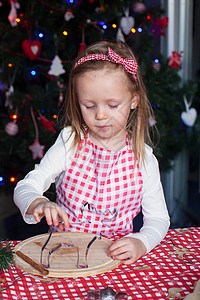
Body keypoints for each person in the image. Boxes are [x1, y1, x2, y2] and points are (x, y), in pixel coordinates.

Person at [14, 40, 170, 265]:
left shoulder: (144, 159)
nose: (101, 115)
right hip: (63, 258)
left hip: (115, 262)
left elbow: (158, 218)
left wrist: (141, 242)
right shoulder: (70, 142)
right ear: (78, 103)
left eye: (113, 105)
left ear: (134, 100)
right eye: (89, 105)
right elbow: (25, 187)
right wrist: (37, 202)